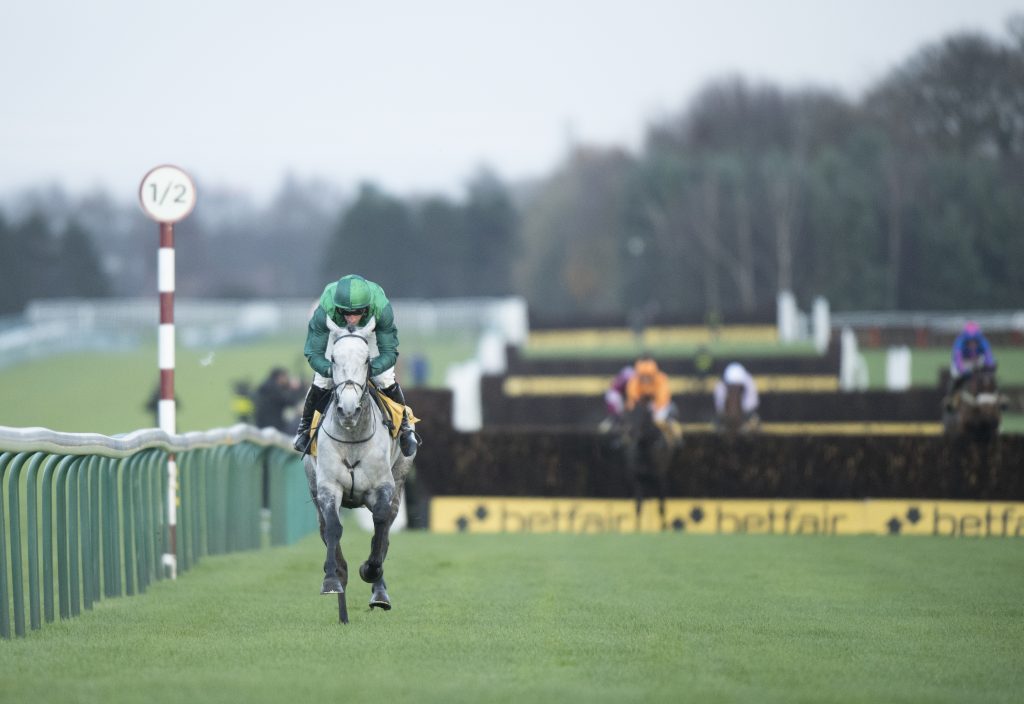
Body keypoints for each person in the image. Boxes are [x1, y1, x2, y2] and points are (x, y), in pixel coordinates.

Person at [292, 274, 419, 457]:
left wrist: (369, 369)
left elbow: (389, 353)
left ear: (366, 308)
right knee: (322, 381)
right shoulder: (325, 308)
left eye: (357, 313)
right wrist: (331, 370)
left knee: (384, 378)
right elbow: (313, 353)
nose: (351, 319)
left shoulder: (381, 308)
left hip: (371, 332)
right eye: (347, 313)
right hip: (335, 332)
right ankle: (304, 429)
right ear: (338, 308)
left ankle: (405, 429)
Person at [625, 355, 681, 442]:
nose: (645, 379)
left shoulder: (661, 379)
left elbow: (662, 398)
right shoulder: (634, 380)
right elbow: (632, 397)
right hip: (644, 407)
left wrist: (655, 408)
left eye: (648, 376)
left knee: (659, 420)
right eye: (643, 376)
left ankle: (675, 440)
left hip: (659, 406)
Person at [254, 367, 303, 433]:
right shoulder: (273, 389)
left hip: (261, 426)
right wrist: (294, 388)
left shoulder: (266, 387)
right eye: (286, 377)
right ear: (280, 377)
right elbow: (290, 401)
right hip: (274, 427)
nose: (287, 379)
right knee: (299, 423)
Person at [949, 321, 996, 390]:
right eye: (970, 341)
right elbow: (957, 359)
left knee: (990, 369)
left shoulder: (983, 341)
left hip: (976, 360)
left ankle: (991, 390)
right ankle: (953, 392)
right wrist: (962, 370)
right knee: (956, 375)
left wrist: (989, 366)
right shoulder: (959, 342)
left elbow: (988, 355)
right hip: (963, 362)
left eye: (975, 341)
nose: (972, 344)